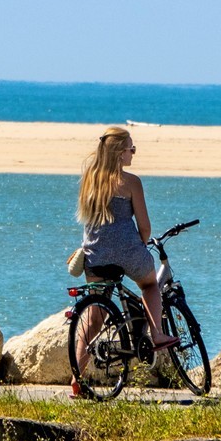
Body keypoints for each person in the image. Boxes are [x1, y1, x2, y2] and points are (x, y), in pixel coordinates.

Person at [71, 126, 177, 397]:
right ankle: (156, 333)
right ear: (119, 152)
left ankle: (77, 379)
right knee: (150, 285)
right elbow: (145, 227)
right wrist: (140, 246)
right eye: (131, 148)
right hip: (127, 252)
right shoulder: (131, 182)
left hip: (94, 255)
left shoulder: (89, 179)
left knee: (95, 320)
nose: (133, 153)